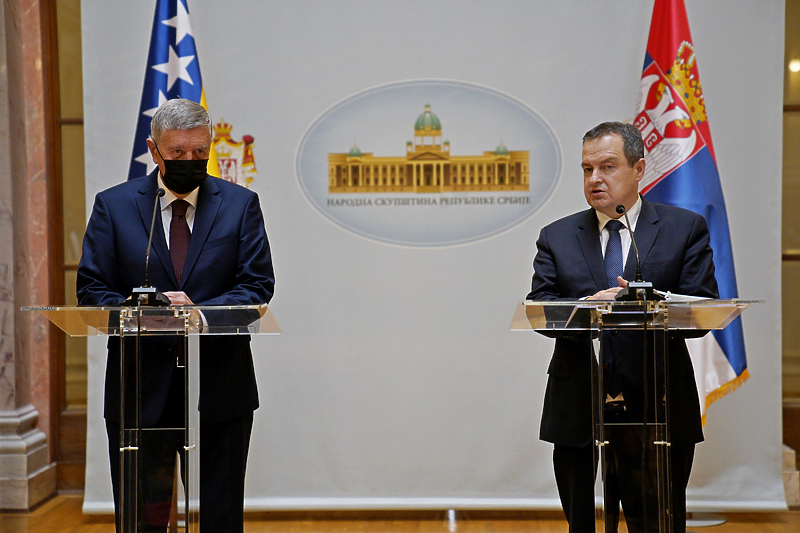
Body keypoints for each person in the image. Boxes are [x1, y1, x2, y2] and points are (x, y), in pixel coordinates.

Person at [77, 98, 275, 533]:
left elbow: (257, 287)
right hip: (139, 390)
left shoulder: (240, 205)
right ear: (154, 150)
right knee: (141, 517)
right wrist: (146, 309)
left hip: (220, 385)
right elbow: (91, 291)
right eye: (178, 153)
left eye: (199, 153)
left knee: (221, 516)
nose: (190, 161)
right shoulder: (115, 206)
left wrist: (199, 313)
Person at [526, 121, 719, 533]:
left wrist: (645, 303)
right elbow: (541, 308)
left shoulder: (683, 228)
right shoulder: (557, 236)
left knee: (656, 522)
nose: (595, 178)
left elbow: (701, 309)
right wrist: (587, 306)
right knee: (581, 521)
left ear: (639, 168)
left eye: (608, 166)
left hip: (658, 398)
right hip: (579, 396)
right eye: (586, 169)